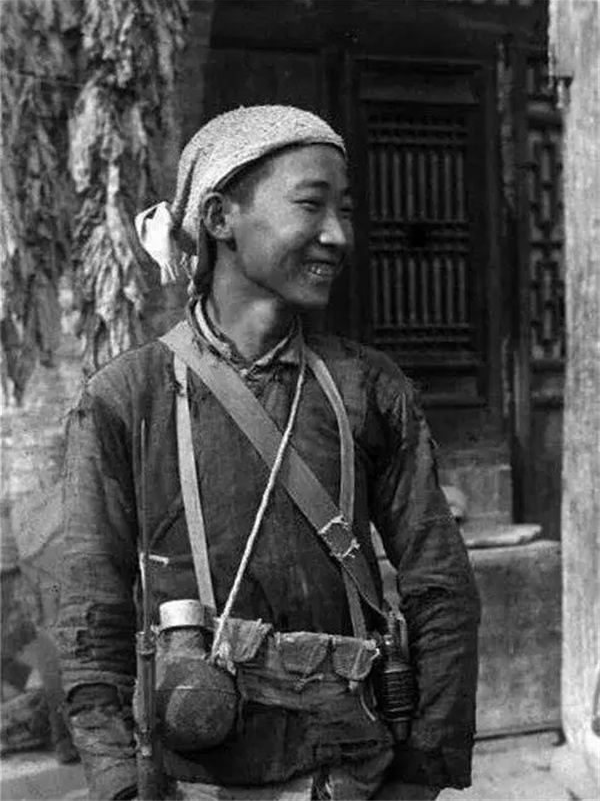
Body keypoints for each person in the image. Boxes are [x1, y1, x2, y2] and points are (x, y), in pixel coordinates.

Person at [55, 105, 480, 801]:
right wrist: (118, 782)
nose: (337, 235)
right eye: (311, 205)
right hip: (191, 784)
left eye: (344, 210)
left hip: (350, 779)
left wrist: (420, 772)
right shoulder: (126, 399)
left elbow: (442, 589)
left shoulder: (368, 389)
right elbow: (91, 616)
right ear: (219, 217)